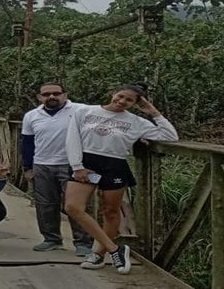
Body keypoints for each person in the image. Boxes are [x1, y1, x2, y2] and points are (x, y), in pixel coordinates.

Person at [65, 82, 178, 275]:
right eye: (120, 96)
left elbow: (170, 136)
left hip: (114, 165)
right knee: (73, 207)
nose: (122, 101)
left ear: (135, 103)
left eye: (129, 100)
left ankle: (98, 254)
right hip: (87, 162)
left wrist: (153, 112)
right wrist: (77, 166)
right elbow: (72, 138)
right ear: (113, 93)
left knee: (110, 211)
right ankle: (115, 249)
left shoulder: (136, 122)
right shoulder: (85, 111)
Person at [21, 82, 92, 255]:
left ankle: (83, 243)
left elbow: (106, 121)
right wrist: (28, 167)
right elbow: (27, 143)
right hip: (42, 164)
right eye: (46, 94)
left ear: (65, 95)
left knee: (76, 205)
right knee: (45, 205)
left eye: (56, 93)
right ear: (39, 97)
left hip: (73, 165)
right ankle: (51, 239)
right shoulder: (31, 116)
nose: (51, 97)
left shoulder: (81, 110)